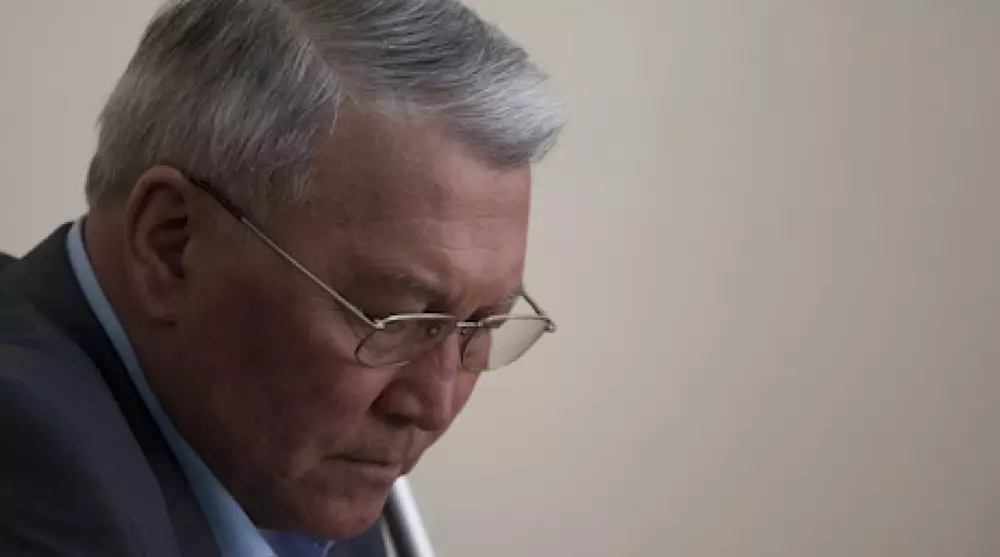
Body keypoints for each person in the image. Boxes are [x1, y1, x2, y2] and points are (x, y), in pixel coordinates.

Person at [0, 0, 565, 555]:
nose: (432, 405)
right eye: (392, 319)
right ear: (171, 245)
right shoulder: (28, 455)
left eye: (482, 324)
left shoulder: (283, 462)